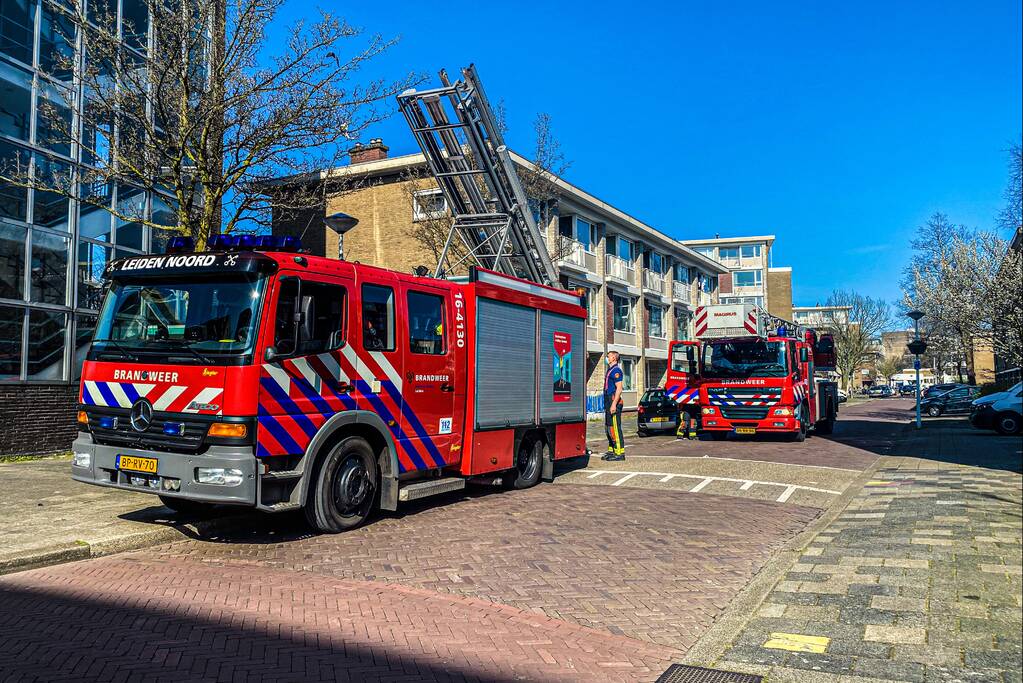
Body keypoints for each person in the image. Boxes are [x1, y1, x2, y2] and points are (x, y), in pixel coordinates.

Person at [602, 351, 626, 461]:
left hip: (613, 402)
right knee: (608, 428)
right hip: (608, 401)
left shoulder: (617, 371)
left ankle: (620, 453)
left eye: (609, 356)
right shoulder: (610, 370)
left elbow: (619, 388)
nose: (607, 357)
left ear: (614, 358)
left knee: (615, 428)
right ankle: (612, 450)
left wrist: (614, 404)